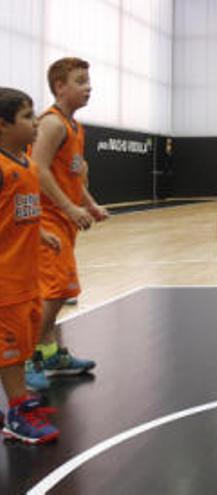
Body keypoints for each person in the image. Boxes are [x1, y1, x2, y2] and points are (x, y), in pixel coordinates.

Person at [26, 57, 107, 391]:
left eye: (88, 80)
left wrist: (88, 204)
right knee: (57, 290)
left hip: (63, 219)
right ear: (60, 87)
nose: (88, 87)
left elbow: (72, 175)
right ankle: (28, 357)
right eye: (80, 81)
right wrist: (69, 207)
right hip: (46, 218)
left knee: (58, 290)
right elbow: (38, 168)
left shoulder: (76, 127)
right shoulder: (53, 124)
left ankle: (51, 353)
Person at [0, 87, 62, 444]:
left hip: (26, 275)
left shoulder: (25, 164)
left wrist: (41, 235)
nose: (36, 121)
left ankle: (19, 401)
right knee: (9, 350)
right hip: (5, 280)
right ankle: (17, 412)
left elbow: (16, 213)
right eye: (26, 116)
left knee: (22, 343)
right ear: (3, 125)